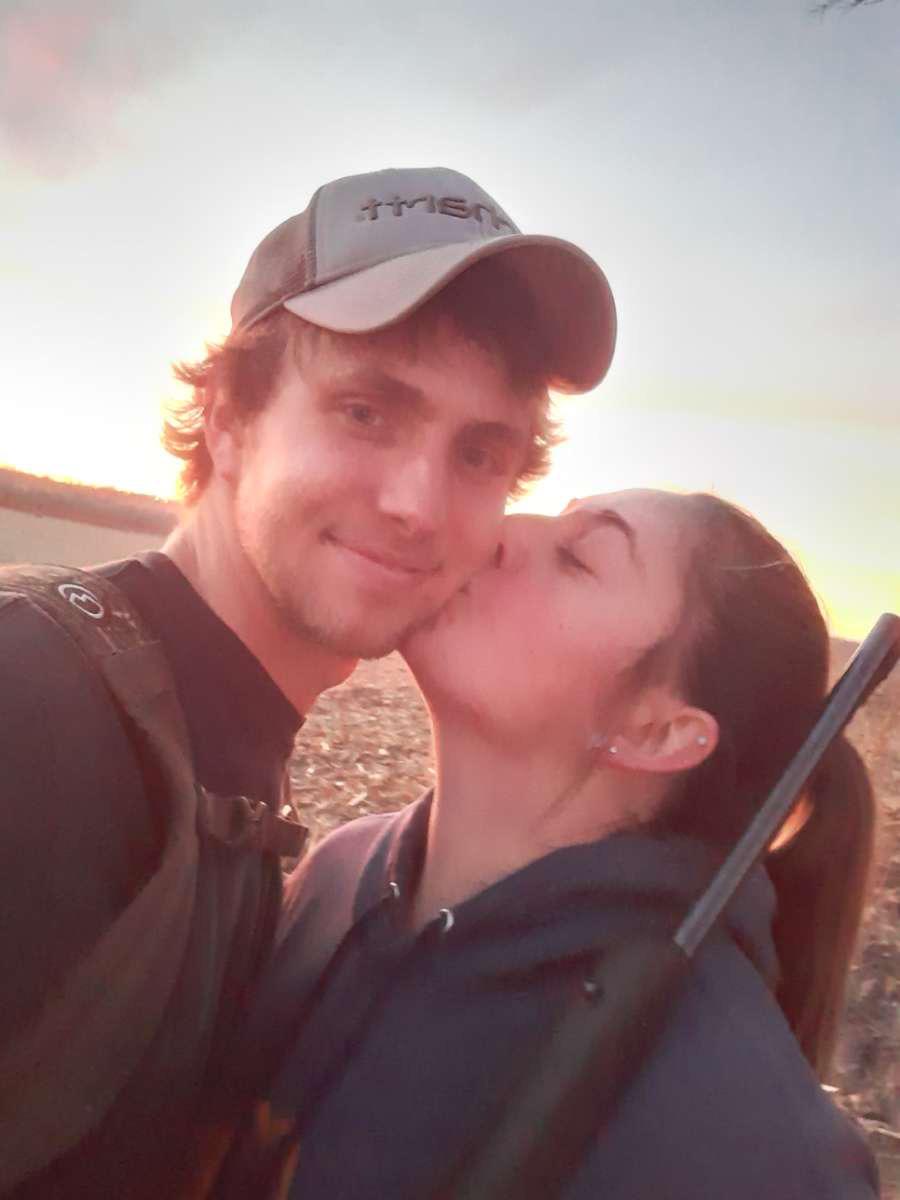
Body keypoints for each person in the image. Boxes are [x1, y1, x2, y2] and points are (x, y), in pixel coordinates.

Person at [0, 166, 616, 1198]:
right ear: (229, 420)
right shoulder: (36, 711)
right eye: (367, 412)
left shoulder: (217, 763)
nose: (419, 504)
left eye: (480, 454)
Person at [218, 489, 880, 1199]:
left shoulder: (750, 1153)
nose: (501, 529)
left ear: (657, 732)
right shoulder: (339, 874)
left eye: (577, 558)